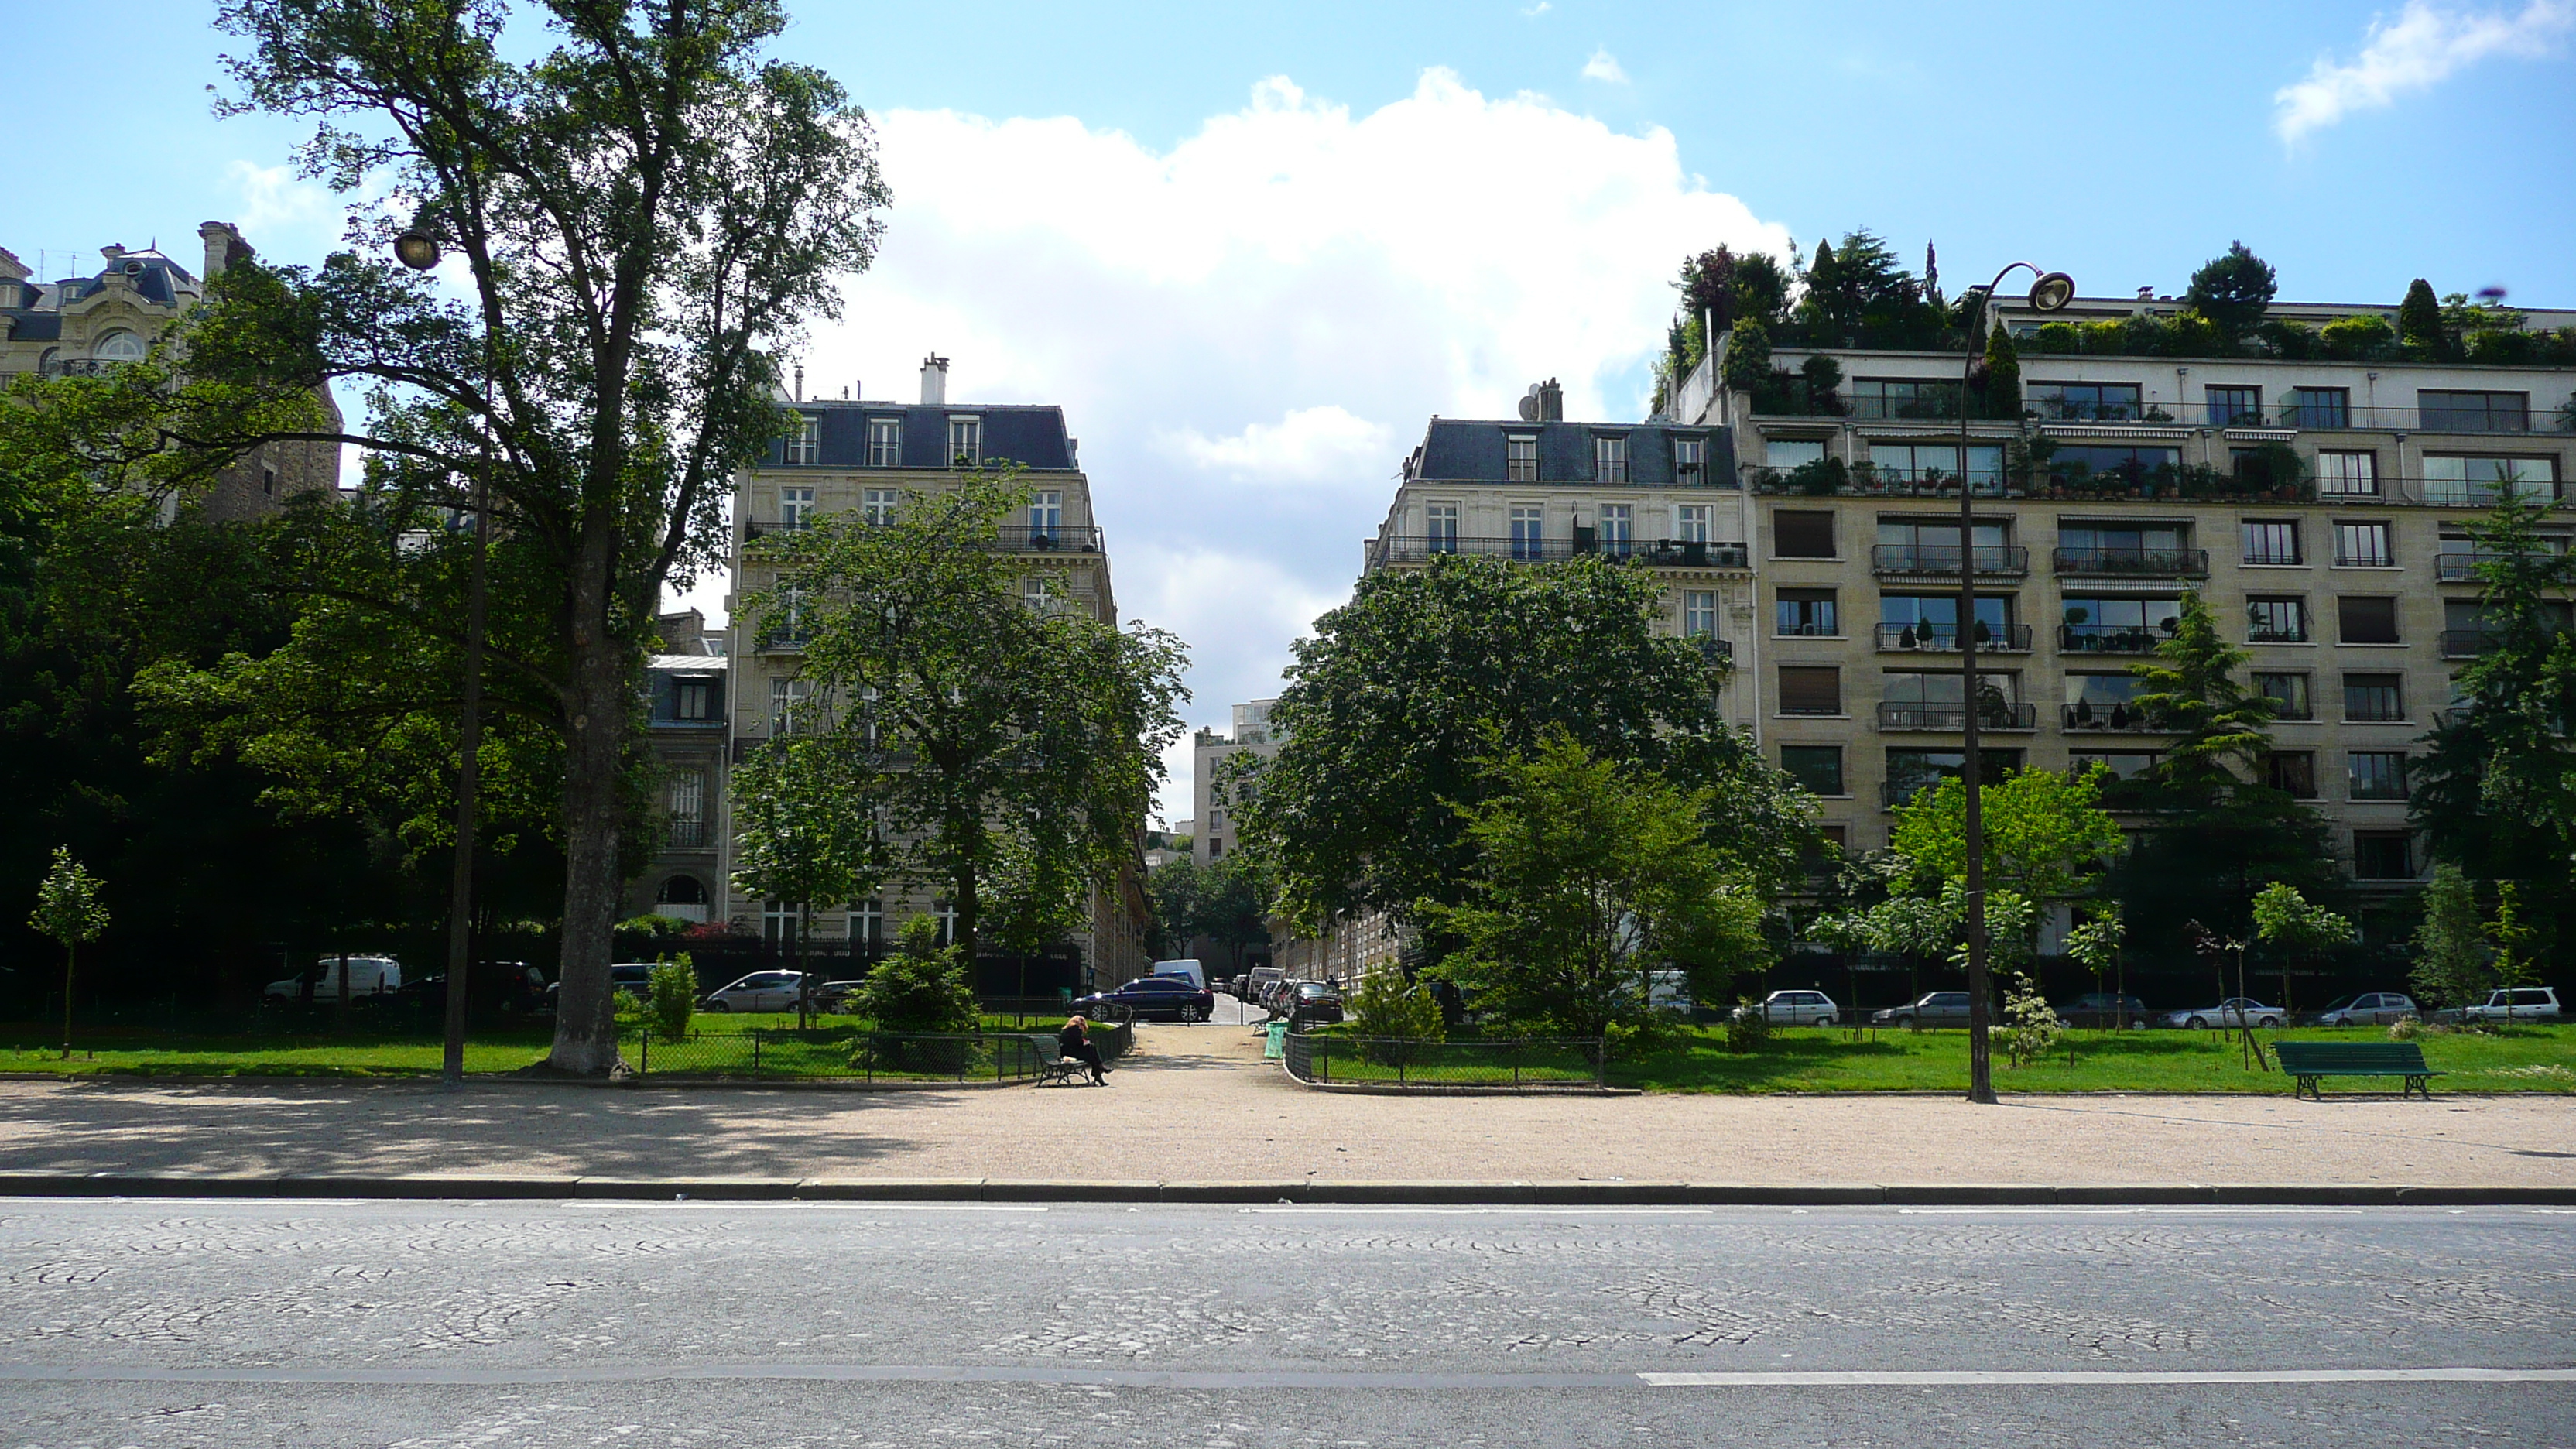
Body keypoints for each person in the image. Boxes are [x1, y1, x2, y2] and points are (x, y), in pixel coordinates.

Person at [1059, 1014, 1109, 1084]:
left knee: (1092, 1052)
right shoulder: (1076, 1029)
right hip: (1071, 1054)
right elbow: (1079, 1043)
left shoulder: (1066, 1030)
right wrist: (1085, 1042)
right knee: (1092, 1050)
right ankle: (1099, 1071)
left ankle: (1099, 1073)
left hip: (1067, 1052)